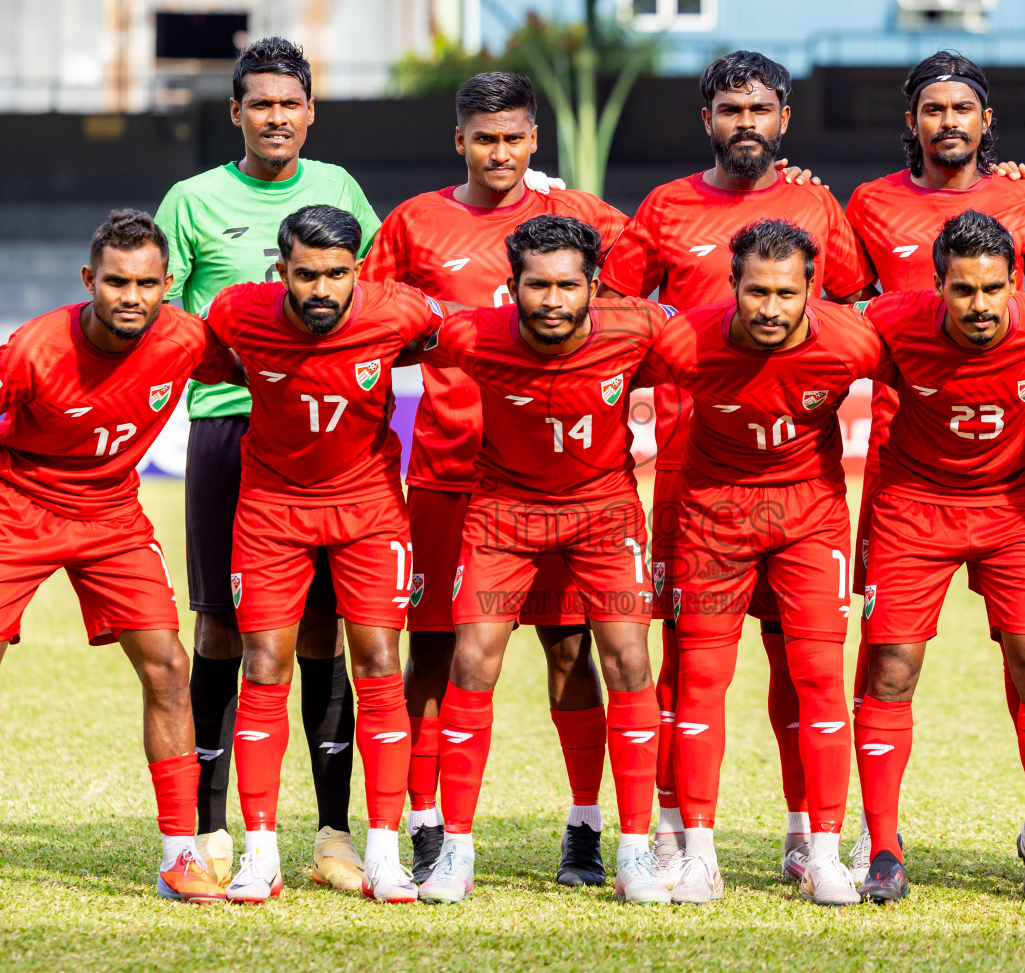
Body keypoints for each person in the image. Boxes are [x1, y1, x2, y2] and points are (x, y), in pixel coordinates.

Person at [598, 50, 876, 878]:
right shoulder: (666, 206)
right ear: (708, 119)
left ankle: (805, 833)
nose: (745, 123)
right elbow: (616, 311)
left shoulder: (816, 202)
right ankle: (679, 832)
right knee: (688, 661)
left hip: (798, 473)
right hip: (693, 474)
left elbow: (852, 307)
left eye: (759, 109)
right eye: (730, 109)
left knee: (801, 660)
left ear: (783, 117)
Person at [359, 71, 629, 886]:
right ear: (460, 141)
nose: (500, 152)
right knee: (437, 651)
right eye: (484, 138)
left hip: (557, 482)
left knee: (569, 646)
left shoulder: (579, 216)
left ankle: (584, 826)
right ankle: (427, 822)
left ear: (534, 138)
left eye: (513, 137)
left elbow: (671, 271)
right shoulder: (415, 223)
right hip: (448, 473)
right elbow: (368, 324)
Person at [0, 210, 239, 908]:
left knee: (168, 664)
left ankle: (179, 856)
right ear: (88, 280)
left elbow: (258, 366)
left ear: (167, 285)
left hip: (112, 514)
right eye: (116, 282)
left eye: (147, 284)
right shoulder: (32, 349)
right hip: (16, 509)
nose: (132, 297)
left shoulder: (185, 339)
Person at [844, 50, 1025, 879]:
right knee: (890, 656)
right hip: (905, 473)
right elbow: (840, 308)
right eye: (934, 108)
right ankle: (877, 836)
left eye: (963, 108)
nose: (949, 121)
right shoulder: (869, 204)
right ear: (911, 121)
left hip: (1010, 485)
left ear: (986, 120)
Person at [155, 36, 382, 890]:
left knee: (325, 630)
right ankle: (213, 830)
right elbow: (163, 318)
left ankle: (333, 835)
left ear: (311, 111)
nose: (276, 116)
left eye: (290, 103)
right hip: (230, 428)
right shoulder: (192, 200)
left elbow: (377, 298)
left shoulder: (341, 190)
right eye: (261, 103)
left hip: (331, 437)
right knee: (223, 627)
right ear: (236, 112)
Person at [415, 215, 670, 905]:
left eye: (567, 286)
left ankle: (633, 851)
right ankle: (456, 850)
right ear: (512, 286)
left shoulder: (638, 327)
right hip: (505, 512)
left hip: (603, 512)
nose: (552, 301)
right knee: (472, 659)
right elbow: (386, 332)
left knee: (628, 661)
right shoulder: (473, 334)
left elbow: (720, 340)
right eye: (537, 286)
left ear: (594, 286)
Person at [635, 219, 888, 906]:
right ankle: (698, 857)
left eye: (785, 293)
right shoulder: (683, 339)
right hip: (713, 517)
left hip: (811, 518)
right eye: (756, 292)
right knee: (700, 681)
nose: (770, 308)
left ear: (812, 290)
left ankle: (822, 854)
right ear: (732, 285)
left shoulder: (853, 340)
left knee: (817, 677)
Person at [856, 210, 1025, 904]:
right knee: (891, 667)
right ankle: (881, 849)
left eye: (993, 288)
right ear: (937, 286)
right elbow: (816, 337)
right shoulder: (892, 320)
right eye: (963, 290)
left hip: (1011, 508)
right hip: (915, 505)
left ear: (1015, 283)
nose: (980, 305)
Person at [201, 205, 443, 904]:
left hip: (370, 510)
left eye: (337, 274)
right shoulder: (238, 310)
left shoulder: (399, 309)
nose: (322, 289)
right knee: (264, 665)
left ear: (358, 269)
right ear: (281, 270)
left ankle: (385, 853)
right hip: (271, 509)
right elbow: (197, 348)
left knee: (379, 662)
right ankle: (261, 855)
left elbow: (459, 333)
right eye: (306, 274)